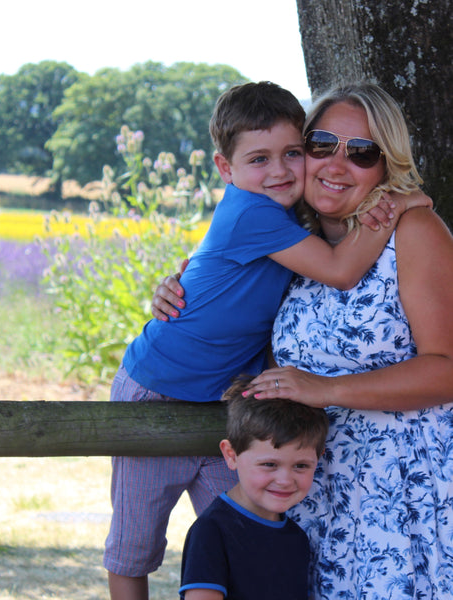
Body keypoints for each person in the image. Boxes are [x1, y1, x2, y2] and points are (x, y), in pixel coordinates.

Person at [104, 81, 427, 600]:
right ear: (225, 168)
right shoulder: (256, 214)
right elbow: (342, 272)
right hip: (158, 385)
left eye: (292, 154)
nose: (279, 171)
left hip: (221, 401)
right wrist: (398, 202)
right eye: (260, 159)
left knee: (243, 528)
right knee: (135, 543)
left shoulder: (292, 220)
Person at [179, 375, 328, 600]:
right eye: (269, 464)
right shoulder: (212, 532)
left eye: (301, 465)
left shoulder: (297, 537)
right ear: (231, 455)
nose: (285, 480)